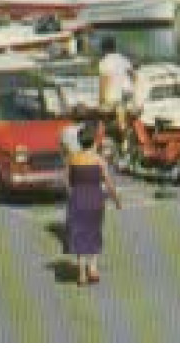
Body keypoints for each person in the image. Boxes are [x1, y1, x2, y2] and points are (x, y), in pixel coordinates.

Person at [65, 121, 121, 286]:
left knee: (80, 234)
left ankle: (82, 274)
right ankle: (93, 269)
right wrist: (116, 200)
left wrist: (72, 194)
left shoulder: (73, 159)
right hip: (95, 198)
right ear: (94, 141)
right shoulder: (99, 160)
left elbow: (67, 181)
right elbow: (109, 183)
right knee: (94, 232)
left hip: (78, 198)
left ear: (80, 142)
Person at [96, 37, 135, 133]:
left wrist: (101, 100)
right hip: (128, 92)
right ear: (114, 47)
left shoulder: (104, 62)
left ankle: (119, 130)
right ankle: (124, 129)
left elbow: (104, 81)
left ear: (103, 49)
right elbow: (133, 76)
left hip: (115, 94)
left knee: (107, 111)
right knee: (122, 109)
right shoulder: (123, 58)